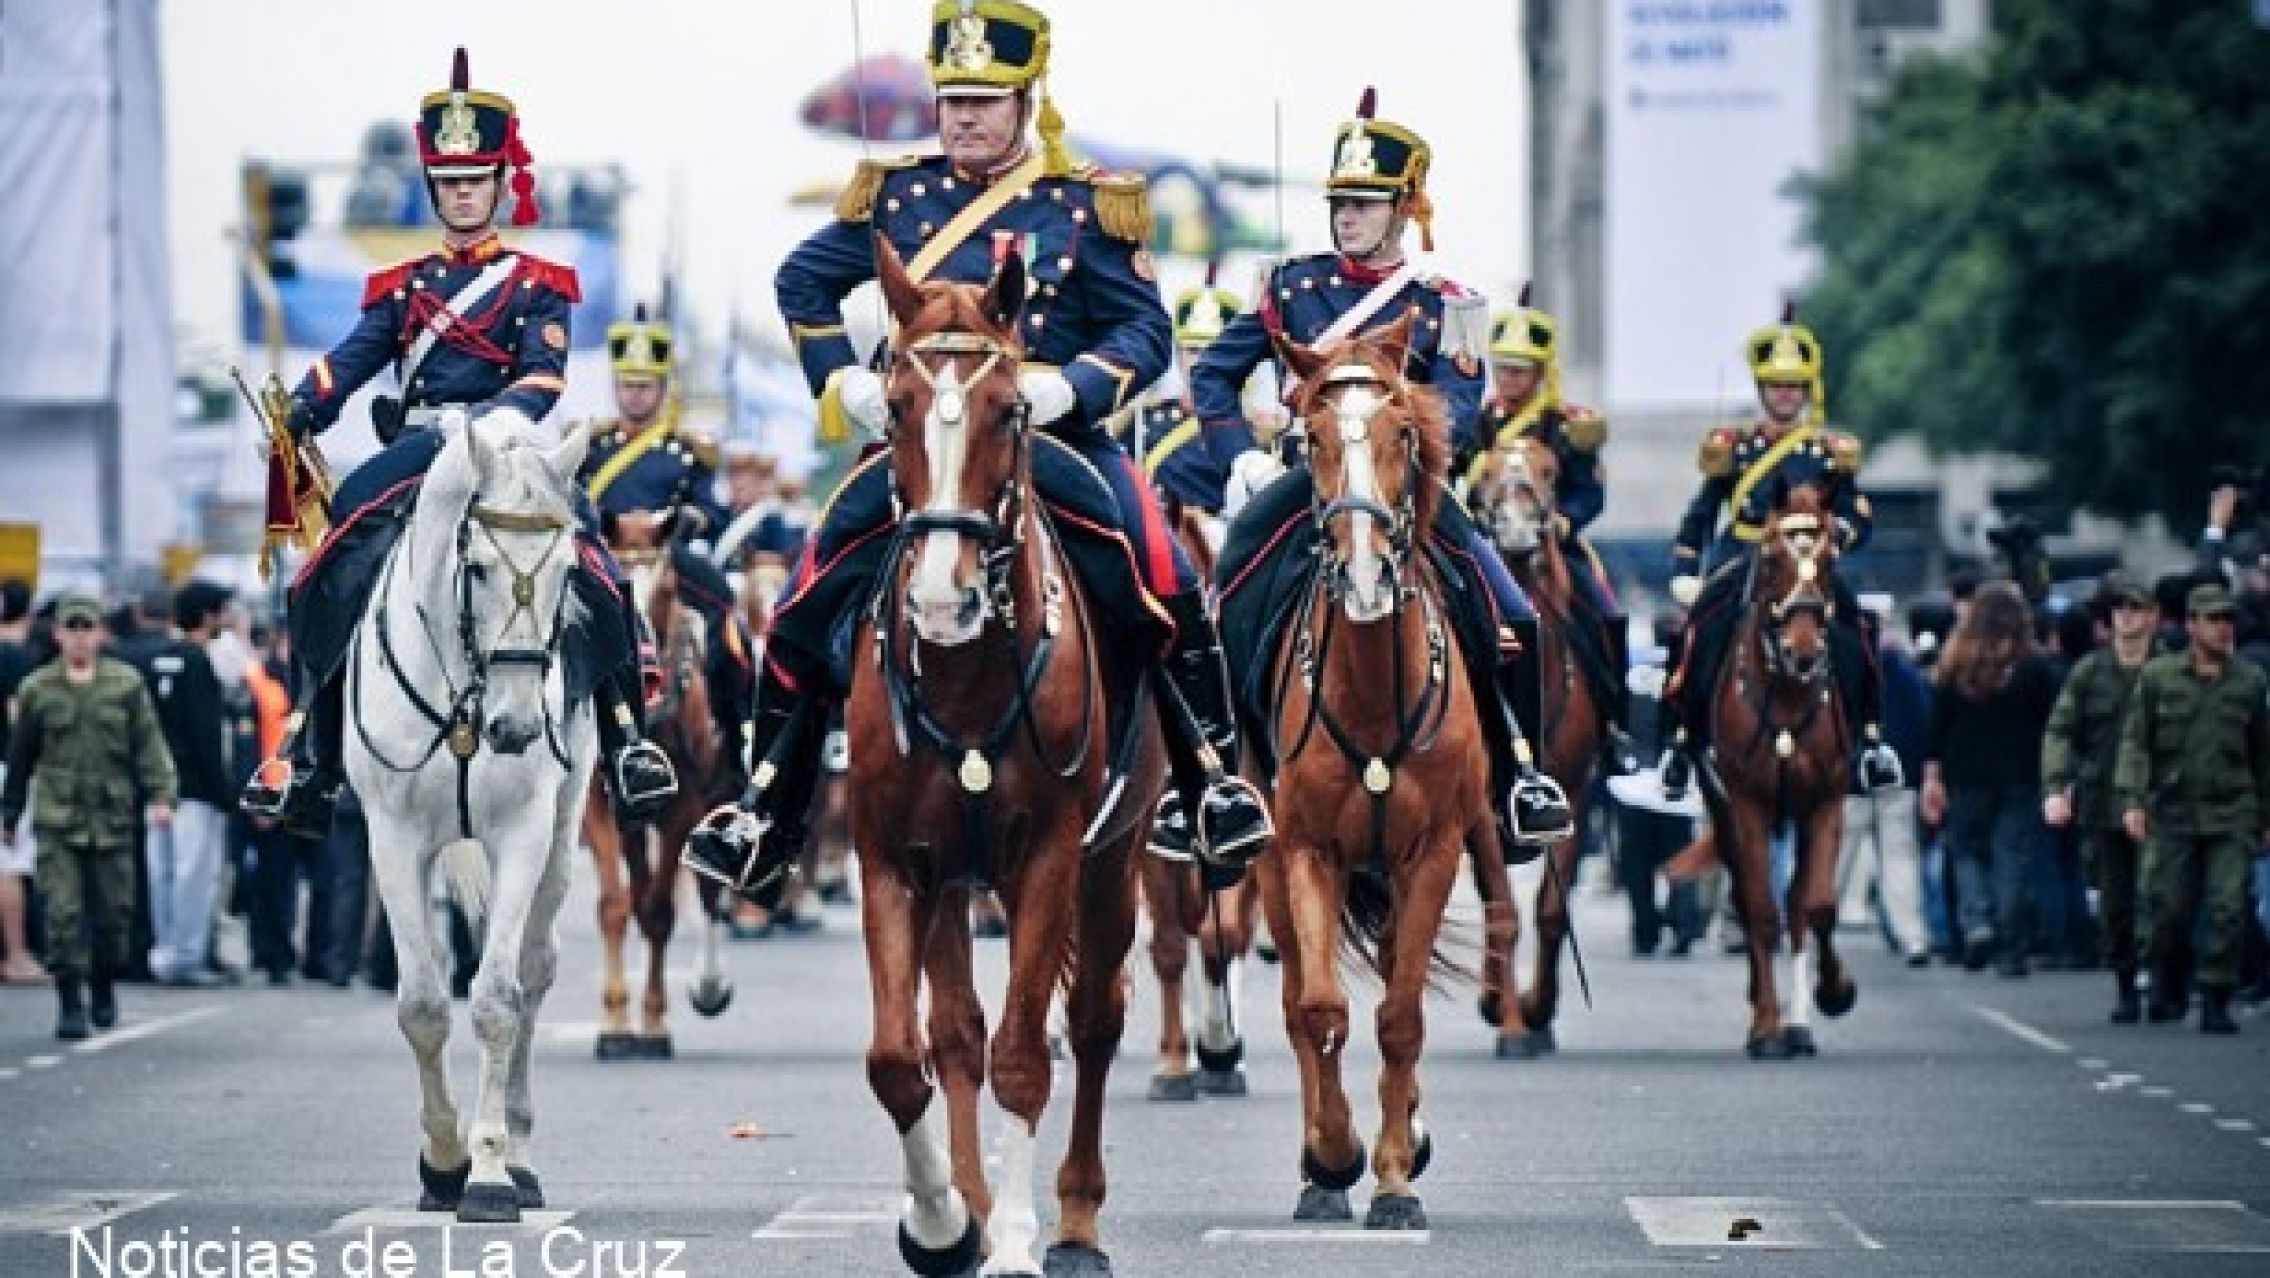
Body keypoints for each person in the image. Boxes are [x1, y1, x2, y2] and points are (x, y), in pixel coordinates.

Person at [689, 0, 1270, 895]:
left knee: (1164, 573)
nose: (963, 115)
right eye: (952, 97)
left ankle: (1207, 788)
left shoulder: (1086, 203)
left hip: (1052, 435)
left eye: (986, 99)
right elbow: (801, 281)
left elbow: (1144, 331)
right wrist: (841, 381)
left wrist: (1069, 383)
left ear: (1026, 98)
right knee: (807, 591)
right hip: (923, 445)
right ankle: (768, 806)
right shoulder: (897, 193)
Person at [239, 47, 675, 838]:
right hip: (417, 449)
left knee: (595, 563)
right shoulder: (401, 288)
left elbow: (543, 379)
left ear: (503, 184)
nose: (464, 194)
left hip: (507, 446)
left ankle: (626, 737)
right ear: (433, 188)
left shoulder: (540, 283)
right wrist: (301, 410)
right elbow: (353, 359)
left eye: (476, 180)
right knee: (324, 566)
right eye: (449, 182)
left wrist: (485, 424)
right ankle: (310, 751)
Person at [1190, 87, 1572, 851]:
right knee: (1225, 590)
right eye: (1340, 202)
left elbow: (1463, 402)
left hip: (1408, 488)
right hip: (1311, 485)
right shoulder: (1288, 287)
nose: (1347, 217)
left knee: (1516, 615)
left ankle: (1521, 779)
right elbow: (1212, 379)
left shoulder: (1453, 303)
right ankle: (1218, 781)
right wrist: (1241, 463)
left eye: (1365, 203)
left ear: (1405, 208)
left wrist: (1410, 454)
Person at [1656, 308, 1901, 801]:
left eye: (1794, 384)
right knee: (1698, 631)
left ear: (1807, 389)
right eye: (1777, 384)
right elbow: (1701, 514)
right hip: (1743, 555)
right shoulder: (1737, 448)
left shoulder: (1827, 452)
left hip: (1809, 561)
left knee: (1856, 626)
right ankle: (1680, 742)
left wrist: (1837, 536)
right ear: (1763, 388)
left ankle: (1871, 739)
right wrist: (1686, 569)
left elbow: (1859, 514)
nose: (1786, 393)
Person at [579, 302, 756, 783]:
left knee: (725, 612)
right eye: (627, 385)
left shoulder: (687, 450)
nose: (634, 396)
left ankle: (736, 728)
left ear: (661, 387)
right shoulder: (592, 449)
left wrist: (682, 521)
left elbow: (712, 511)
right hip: (605, 561)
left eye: (644, 386)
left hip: (667, 558)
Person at [1, 595, 177, 1040]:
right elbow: (20, 757)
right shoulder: (38, 689)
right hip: (57, 819)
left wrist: (161, 795)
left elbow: (150, 745)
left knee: (113, 917)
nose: (79, 638)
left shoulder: (126, 685)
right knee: (62, 912)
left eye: (87, 628)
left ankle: (102, 985)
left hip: (113, 819)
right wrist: (9, 812)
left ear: (100, 633)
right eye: (71, 629)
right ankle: (68, 1002)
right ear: (58, 634)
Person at [1476, 286, 1633, 765]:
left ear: (1540, 373)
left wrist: (1565, 522)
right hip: (1488, 543)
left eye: (1519, 371)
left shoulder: (1564, 426)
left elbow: (1591, 491)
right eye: (1502, 368)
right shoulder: (1474, 423)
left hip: (1554, 544)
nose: (1509, 379)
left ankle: (1615, 720)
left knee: (1605, 610)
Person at [2115, 582, 2270, 1035]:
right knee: (2169, 909)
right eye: (2213, 620)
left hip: (2232, 810)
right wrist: (2132, 801)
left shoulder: (2249, 682)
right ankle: (2169, 980)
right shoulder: (2159, 678)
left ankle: (2216, 995)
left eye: (2228, 620)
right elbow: (2136, 742)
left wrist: (2265, 814)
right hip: (2174, 811)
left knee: (2228, 905)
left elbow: (2262, 753)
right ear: (2191, 625)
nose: (2223, 629)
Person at [1920, 582, 2061, 977]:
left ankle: (1977, 922)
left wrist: (1932, 777)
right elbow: (2050, 725)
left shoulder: (1955, 663)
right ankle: (2011, 946)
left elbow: (1937, 726)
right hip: (2020, 773)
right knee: (2011, 858)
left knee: (1966, 853)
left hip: (1964, 773)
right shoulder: (2034, 667)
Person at [2041, 571, 2160, 1021]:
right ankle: (2127, 983)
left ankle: (2164, 974)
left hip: (2162, 804)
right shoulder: (2089, 673)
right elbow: (2061, 731)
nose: (2128, 619)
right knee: (2115, 902)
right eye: (2120, 610)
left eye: (2136, 609)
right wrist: (2056, 787)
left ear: (2153, 617)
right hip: (2103, 802)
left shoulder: (2171, 668)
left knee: (2162, 897)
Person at [139, 582, 236, 987]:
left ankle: (163, 952)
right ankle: (187, 957)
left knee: (161, 873)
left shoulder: (156, 657)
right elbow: (206, 733)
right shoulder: (198, 662)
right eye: (222, 612)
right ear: (208, 615)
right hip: (196, 791)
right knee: (194, 875)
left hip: (156, 788)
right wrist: (225, 792)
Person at [1836, 592, 1934, 966]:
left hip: (1850, 782)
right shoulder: (1901, 668)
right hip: (1898, 780)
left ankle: (1816, 935)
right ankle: (1913, 936)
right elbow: (1922, 719)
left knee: (1838, 861)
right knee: (1899, 860)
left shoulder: (1840, 669)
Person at [1122, 273, 1243, 520]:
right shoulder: (1140, 421)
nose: (1201, 361)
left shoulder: (1258, 433)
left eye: (1212, 350)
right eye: (1192, 350)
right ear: (1177, 355)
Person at [0, 578, 46, 984]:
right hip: (6, 767)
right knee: (11, 864)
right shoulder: (14, 658)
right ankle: (16, 955)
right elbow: (20, 723)